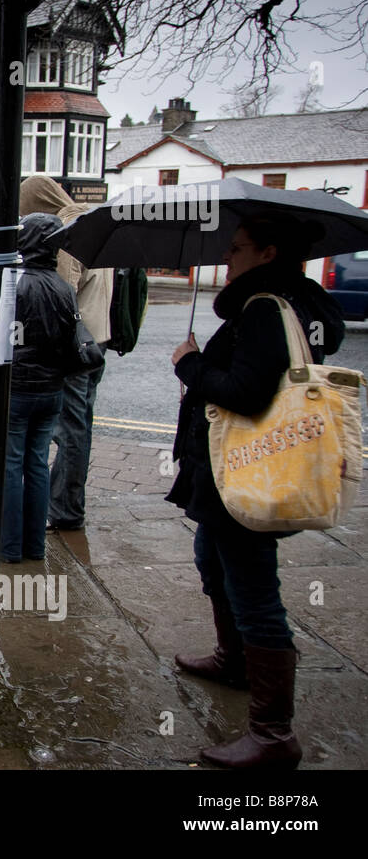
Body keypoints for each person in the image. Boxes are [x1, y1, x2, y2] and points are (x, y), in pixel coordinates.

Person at [168, 212, 345, 769]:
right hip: (237, 470)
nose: (229, 257)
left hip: (247, 468)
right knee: (212, 559)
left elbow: (244, 393)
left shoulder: (265, 309)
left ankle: (273, 734)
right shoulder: (305, 303)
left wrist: (191, 364)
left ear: (269, 254)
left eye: (238, 248)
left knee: (253, 589)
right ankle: (234, 660)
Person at [0, 213, 83, 563]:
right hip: (50, 392)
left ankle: (9, 547)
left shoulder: (12, 285)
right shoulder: (64, 288)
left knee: (10, 465)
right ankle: (34, 546)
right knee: (37, 464)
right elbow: (71, 344)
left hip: (15, 392)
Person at [19, 175, 112, 531]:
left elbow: (59, 296)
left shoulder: (67, 234)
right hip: (95, 344)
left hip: (74, 350)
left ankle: (65, 510)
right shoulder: (91, 224)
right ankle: (69, 504)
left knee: (69, 431)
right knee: (80, 427)